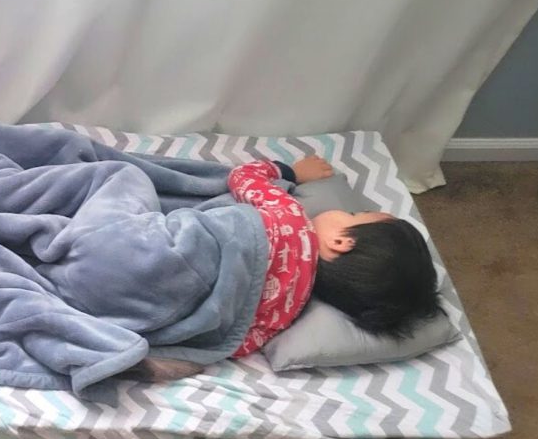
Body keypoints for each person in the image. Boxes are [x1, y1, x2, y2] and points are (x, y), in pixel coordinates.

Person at [130, 156, 440, 381]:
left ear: (342, 241)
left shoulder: (291, 215)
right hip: (171, 297)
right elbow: (237, 342)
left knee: (121, 181)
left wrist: (291, 171)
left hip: (167, 251)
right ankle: (163, 350)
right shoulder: (289, 312)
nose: (346, 210)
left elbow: (243, 177)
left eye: (354, 214)